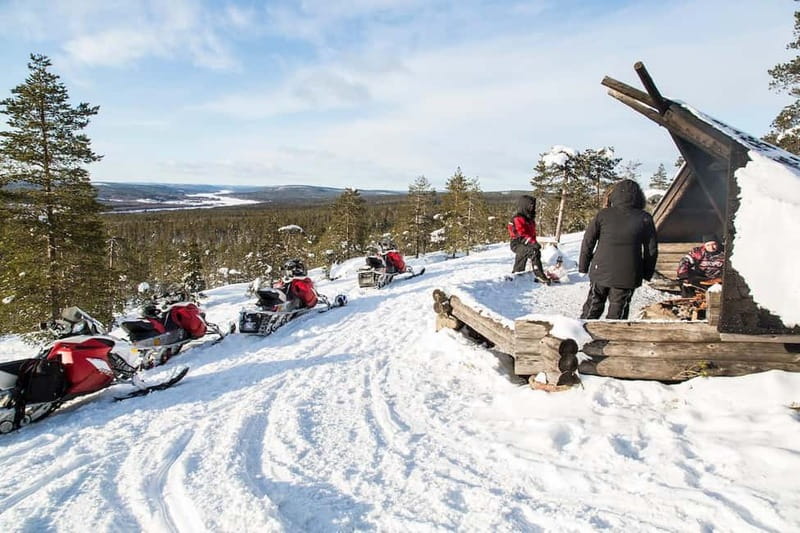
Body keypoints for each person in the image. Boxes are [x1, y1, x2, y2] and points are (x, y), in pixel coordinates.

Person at [579, 179, 658, 320]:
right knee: (618, 309)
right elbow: (651, 250)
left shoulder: (603, 215)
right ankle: (613, 339)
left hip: (601, 269)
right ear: (639, 197)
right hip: (629, 272)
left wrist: (583, 266)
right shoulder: (644, 218)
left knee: (593, 305)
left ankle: (584, 335)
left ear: (614, 195)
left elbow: (588, 241)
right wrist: (647, 272)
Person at [508, 195, 549, 284]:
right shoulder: (518, 218)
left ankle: (516, 277)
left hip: (525, 243)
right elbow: (521, 234)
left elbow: (531, 234)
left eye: (533, 205)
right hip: (517, 243)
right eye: (530, 205)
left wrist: (534, 242)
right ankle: (539, 275)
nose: (532, 207)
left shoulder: (529, 219)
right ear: (524, 205)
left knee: (521, 261)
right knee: (533, 252)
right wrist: (533, 243)